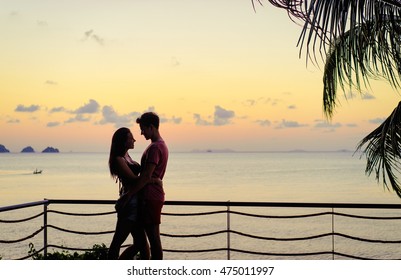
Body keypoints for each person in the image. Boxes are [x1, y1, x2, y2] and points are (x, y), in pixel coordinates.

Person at [107, 127, 162, 260]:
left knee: (140, 244)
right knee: (117, 242)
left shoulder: (126, 156)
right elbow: (133, 179)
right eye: (131, 138)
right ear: (124, 141)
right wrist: (154, 180)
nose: (134, 140)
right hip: (129, 204)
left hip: (135, 202)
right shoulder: (118, 159)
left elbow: (139, 179)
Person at [122, 112, 169, 260]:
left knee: (154, 240)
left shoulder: (155, 148)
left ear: (151, 127)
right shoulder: (159, 146)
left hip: (150, 197)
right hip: (151, 196)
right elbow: (149, 177)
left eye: (143, 129)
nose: (141, 133)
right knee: (143, 241)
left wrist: (128, 195)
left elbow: (147, 176)